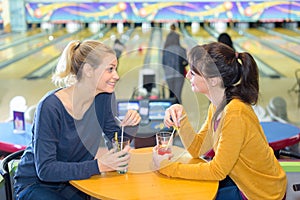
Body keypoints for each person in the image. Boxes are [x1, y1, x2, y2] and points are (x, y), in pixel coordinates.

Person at [154, 42, 287, 199]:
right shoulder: (218, 106)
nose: (188, 75)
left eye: (193, 73)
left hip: (263, 194)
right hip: (246, 184)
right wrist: (181, 117)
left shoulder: (235, 113)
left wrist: (168, 167)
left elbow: (217, 170)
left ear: (213, 80)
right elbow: (197, 149)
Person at [14, 40, 141, 200]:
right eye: (110, 69)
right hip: (37, 185)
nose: (116, 76)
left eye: (115, 69)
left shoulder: (104, 97)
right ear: (88, 70)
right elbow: (45, 169)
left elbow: (115, 140)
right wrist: (99, 165)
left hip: (75, 182)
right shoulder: (51, 106)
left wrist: (130, 127)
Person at [162, 24, 188, 104]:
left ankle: (170, 113)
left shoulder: (165, 50)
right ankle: (179, 114)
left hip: (168, 75)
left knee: (171, 94)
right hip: (179, 75)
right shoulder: (181, 50)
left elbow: (163, 64)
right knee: (178, 95)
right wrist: (181, 65)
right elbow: (186, 62)